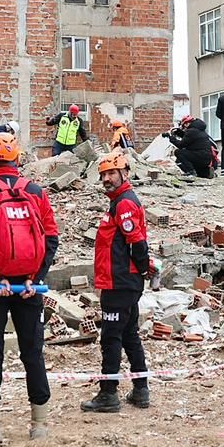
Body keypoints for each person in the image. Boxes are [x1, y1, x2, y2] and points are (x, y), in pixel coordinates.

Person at [0, 131, 59, 447]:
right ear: (17, 157)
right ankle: (39, 425)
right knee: (33, 353)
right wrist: (35, 277)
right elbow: (51, 238)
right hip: (30, 284)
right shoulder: (35, 191)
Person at [81, 151, 154, 414]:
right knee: (129, 334)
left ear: (124, 173)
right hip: (122, 281)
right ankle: (140, 388)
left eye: (111, 173)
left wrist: (143, 269)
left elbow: (137, 241)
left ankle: (108, 394)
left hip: (119, 283)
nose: (106, 179)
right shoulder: (120, 202)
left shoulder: (123, 204)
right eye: (103, 175)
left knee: (111, 337)